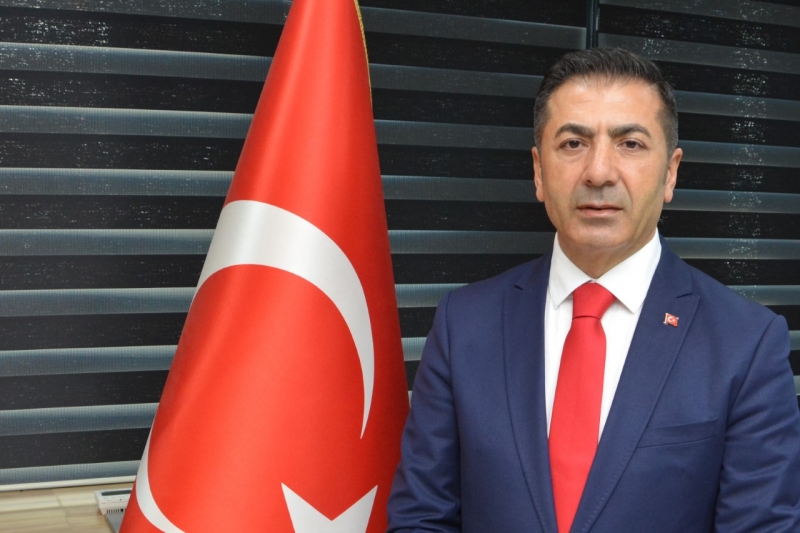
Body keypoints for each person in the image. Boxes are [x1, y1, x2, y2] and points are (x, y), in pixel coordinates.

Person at [386, 48, 800, 533]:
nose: (599, 172)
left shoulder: (746, 343)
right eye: (573, 143)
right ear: (539, 171)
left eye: (630, 144)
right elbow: (421, 518)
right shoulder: (464, 324)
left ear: (670, 172)